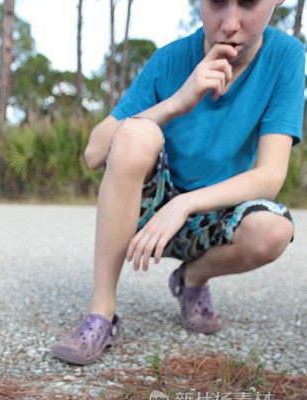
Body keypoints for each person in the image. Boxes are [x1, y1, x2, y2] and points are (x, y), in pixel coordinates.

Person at [53, 0, 305, 366]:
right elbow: (94, 153)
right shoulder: (170, 59)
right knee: (136, 134)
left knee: (273, 230)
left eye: (248, 2)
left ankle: (192, 277)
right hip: (150, 209)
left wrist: (184, 204)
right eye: (216, 2)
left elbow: (270, 175)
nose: (230, 23)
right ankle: (102, 312)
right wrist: (178, 101)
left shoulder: (286, 56)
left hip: (218, 212)